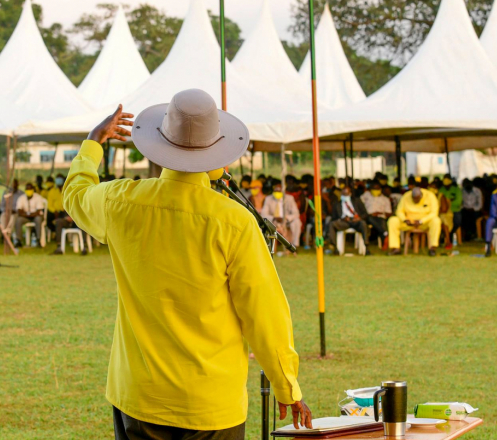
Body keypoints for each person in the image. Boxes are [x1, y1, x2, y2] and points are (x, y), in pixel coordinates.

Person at [63, 94, 311, 439]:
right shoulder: (234, 222)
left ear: (157, 143)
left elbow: (75, 195)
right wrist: (287, 387)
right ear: (217, 151)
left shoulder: (119, 201)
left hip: (138, 396)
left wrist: (93, 143)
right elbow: (263, 314)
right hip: (210, 404)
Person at [387, 187, 441, 256]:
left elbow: (434, 213)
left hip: (424, 222)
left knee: (436, 220)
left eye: (417, 199)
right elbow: (399, 211)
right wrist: (405, 220)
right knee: (392, 220)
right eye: (414, 199)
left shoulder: (430, 196)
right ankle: (395, 248)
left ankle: (433, 248)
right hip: (409, 223)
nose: (416, 200)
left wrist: (421, 221)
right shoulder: (406, 196)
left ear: (421, 195)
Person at [326, 185, 370, 255]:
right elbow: (333, 217)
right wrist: (342, 219)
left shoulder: (357, 201)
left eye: (346, 194)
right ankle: (335, 247)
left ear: (350, 194)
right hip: (344, 222)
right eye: (343, 194)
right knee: (332, 224)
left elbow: (365, 214)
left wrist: (359, 218)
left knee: (363, 223)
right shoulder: (337, 204)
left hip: (356, 221)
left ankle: (366, 248)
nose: (344, 196)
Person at [261, 180, 302, 251]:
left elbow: (296, 213)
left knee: (297, 222)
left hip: (287, 221)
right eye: (275, 192)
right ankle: (264, 247)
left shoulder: (290, 198)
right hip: (274, 221)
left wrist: (286, 218)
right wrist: (274, 218)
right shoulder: (268, 199)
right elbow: (263, 214)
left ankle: (294, 245)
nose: (277, 193)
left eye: (279, 192)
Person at [14, 183, 47, 247]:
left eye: (30, 189)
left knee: (38, 219)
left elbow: (38, 211)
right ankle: (18, 240)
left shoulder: (38, 197)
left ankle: (38, 240)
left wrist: (27, 214)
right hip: (26, 217)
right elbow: (19, 211)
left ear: (33, 189)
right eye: (27, 189)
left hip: (36, 216)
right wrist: (28, 214)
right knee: (18, 220)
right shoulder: (21, 198)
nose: (29, 191)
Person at [361, 180, 392, 248]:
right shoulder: (365, 196)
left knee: (381, 221)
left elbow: (389, 213)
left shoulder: (385, 199)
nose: (375, 190)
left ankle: (384, 237)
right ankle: (385, 234)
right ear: (370, 189)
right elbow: (359, 206)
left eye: (377, 189)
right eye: (373, 189)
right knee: (371, 218)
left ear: (380, 189)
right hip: (368, 216)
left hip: (381, 217)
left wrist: (379, 213)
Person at [440, 175, 462, 247]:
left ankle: (452, 239)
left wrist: (448, 203)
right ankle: (446, 241)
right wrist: (448, 202)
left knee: (457, 223)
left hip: (455, 210)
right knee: (443, 222)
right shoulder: (441, 190)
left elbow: (458, 202)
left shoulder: (456, 189)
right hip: (444, 213)